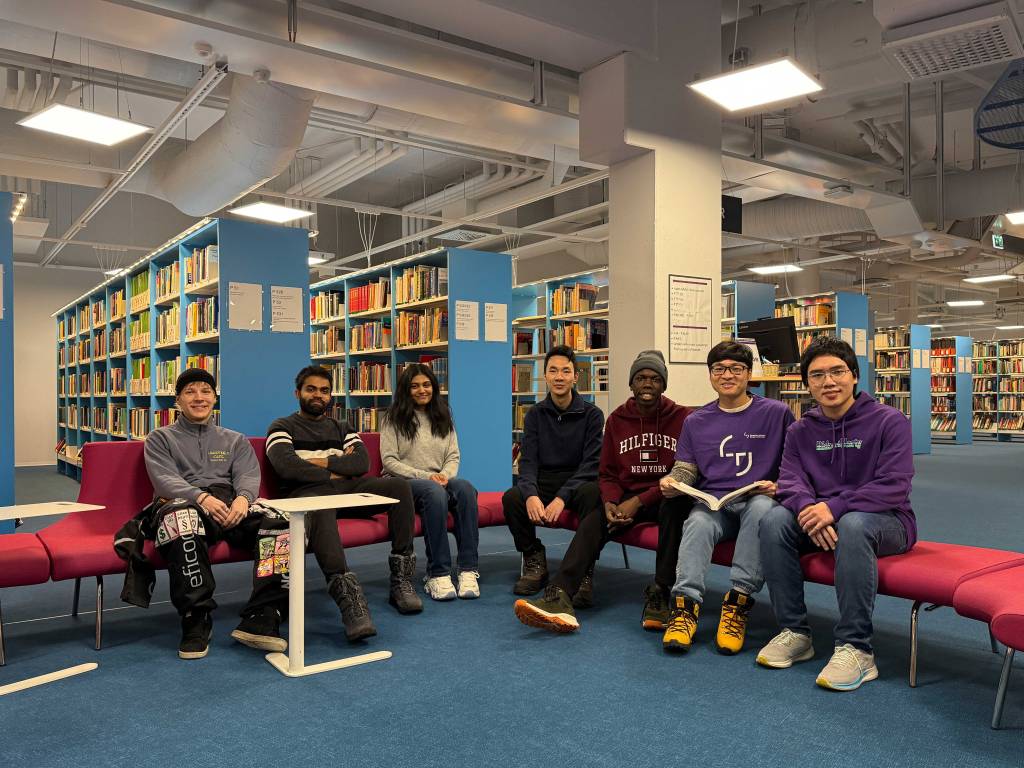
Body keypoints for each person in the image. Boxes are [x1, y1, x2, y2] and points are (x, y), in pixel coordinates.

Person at [757, 336, 915, 691]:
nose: (828, 382)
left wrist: (834, 509)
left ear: (855, 376)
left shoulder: (890, 421)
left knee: (854, 523)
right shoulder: (800, 430)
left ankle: (856, 647)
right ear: (807, 385)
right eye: (817, 376)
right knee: (774, 519)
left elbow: (894, 485)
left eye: (837, 372)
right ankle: (795, 632)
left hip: (887, 521)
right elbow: (790, 480)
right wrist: (810, 513)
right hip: (825, 519)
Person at [514, 350, 691, 633]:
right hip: (624, 497)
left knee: (675, 506)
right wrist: (610, 501)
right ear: (631, 384)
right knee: (596, 516)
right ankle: (560, 596)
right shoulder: (618, 419)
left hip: (663, 496)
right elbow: (606, 472)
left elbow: (682, 474)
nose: (648, 384)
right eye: (641, 378)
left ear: (664, 384)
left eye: (655, 379)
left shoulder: (683, 418)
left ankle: (660, 593)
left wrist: (639, 501)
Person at [658, 341, 794, 655]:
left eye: (736, 368)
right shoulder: (696, 420)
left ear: (749, 374)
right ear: (710, 375)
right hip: (715, 503)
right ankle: (684, 608)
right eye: (719, 369)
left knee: (761, 507)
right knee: (698, 521)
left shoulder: (777, 414)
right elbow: (686, 467)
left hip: (756, 501)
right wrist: (674, 481)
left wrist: (779, 486)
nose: (727, 375)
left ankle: (737, 604)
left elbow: (795, 463)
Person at [266, 365, 423, 631]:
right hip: (306, 496)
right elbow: (287, 467)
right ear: (297, 393)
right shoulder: (282, 426)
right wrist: (336, 468)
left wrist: (320, 462)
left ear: (331, 396)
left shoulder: (341, 426)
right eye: (311, 389)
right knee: (322, 501)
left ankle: (401, 579)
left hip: (346, 492)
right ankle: (349, 600)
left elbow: (361, 462)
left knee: (398, 487)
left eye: (324, 391)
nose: (318, 395)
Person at [142, 368, 278, 660]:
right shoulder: (160, 438)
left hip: (229, 507)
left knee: (280, 524)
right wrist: (201, 497)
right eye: (190, 392)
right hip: (184, 504)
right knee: (181, 521)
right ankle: (195, 617)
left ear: (215, 398)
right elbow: (164, 480)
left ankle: (264, 612)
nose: (199, 398)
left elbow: (248, 475)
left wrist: (243, 500)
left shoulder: (235, 440)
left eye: (205, 391)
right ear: (177, 399)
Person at [502, 345, 604, 604]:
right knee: (512, 498)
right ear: (545, 376)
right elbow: (528, 462)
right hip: (545, 479)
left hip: (578, 481)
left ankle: (583, 570)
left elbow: (590, 465)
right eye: (553, 371)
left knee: (594, 494)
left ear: (575, 377)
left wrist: (561, 498)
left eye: (566, 371)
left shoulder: (593, 415)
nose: (559, 377)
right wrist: (531, 494)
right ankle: (535, 559)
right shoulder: (535, 414)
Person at [380, 362, 480, 601]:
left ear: (434, 387)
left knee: (466, 489)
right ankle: (438, 573)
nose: (421, 390)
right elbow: (389, 461)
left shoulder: (443, 416)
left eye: (426, 385)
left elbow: (453, 455)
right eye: (414, 386)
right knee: (433, 492)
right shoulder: (392, 418)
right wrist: (427, 477)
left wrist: (445, 475)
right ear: (406, 390)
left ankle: (468, 569)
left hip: (439, 479)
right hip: (403, 482)